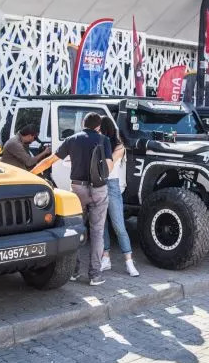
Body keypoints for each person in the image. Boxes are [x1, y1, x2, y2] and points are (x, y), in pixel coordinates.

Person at [32, 113, 113, 286]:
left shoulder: (72, 139)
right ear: (98, 126)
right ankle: (95, 275)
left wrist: (31, 174)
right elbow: (109, 167)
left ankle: (74, 271)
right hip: (99, 189)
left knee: (75, 230)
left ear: (83, 123)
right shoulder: (104, 140)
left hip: (78, 189)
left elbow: (50, 161)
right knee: (98, 232)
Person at [98, 116, 140, 277]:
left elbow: (108, 166)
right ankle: (105, 258)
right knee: (102, 225)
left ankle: (129, 262)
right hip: (98, 184)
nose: (97, 132)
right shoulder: (100, 143)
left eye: (99, 129)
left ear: (105, 129)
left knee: (118, 226)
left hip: (112, 185)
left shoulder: (119, 146)